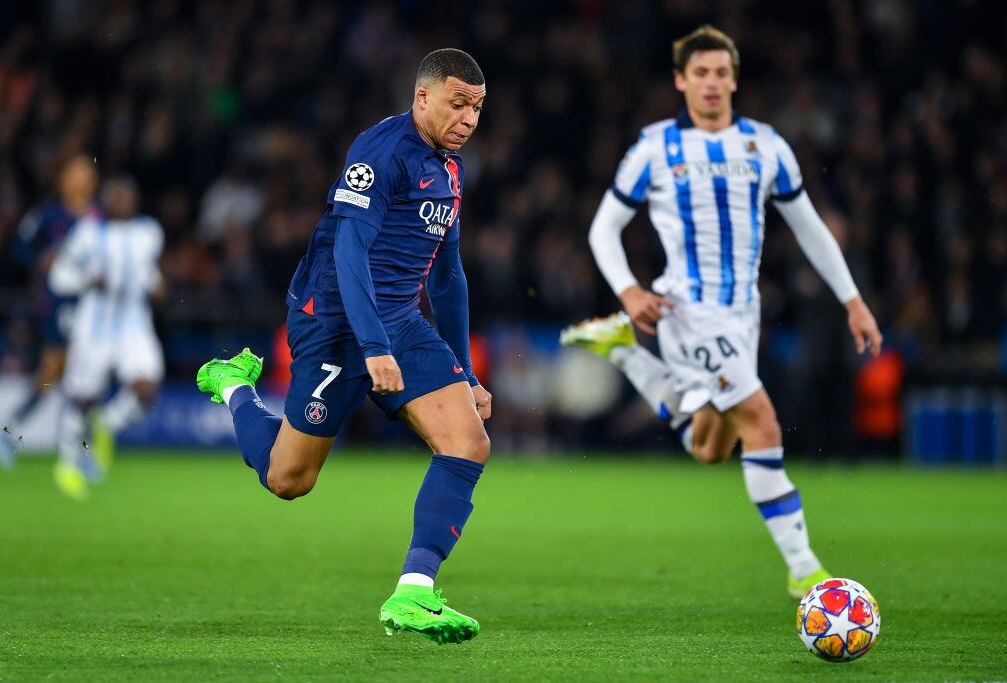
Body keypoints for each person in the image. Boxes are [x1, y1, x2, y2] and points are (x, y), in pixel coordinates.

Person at [560, 26, 883, 599]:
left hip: (743, 315)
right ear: (681, 81)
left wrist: (852, 300)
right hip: (688, 310)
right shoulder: (656, 148)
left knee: (712, 447)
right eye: (700, 74)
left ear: (734, 78)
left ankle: (625, 354)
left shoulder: (765, 146)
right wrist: (630, 291)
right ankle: (806, 569)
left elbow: (810, 228)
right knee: (759, 420)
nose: (711, 84)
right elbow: (603, 227)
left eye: (720, 73)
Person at [195, 48, 491, 645]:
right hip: (333, 321)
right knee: (288, 479)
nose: (468, 119)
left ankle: (414, 592)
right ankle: (233, 386)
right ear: (423, 97)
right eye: (458, 104)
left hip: (400, 323)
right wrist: (372, 345)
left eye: (478, 108)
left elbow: (447, 275)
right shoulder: (380, 153)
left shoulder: (450, 169)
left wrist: (463, 370)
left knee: (468, 441)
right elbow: (348, 252)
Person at [48, 175, 165, 500]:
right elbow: (59, 277)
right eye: (116, 195)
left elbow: (145, 271)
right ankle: (68, 465)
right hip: (93, 328)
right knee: (82, 398)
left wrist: (156, 283)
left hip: (133, 326)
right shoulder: (88, 233)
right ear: (106, 199)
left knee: (146, 388)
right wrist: (87, 280)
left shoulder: (149, 233)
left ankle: (106, 424)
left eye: (127, 195)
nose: (122, 201)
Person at [0, 155, 98, 467]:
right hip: (58, 304)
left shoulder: (98, 216)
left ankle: (13, 428)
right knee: (62, 369)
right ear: (64, 180)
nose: (81, 180)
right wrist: (42, 261)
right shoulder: (49, 215)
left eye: (86, 174)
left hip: (92, 306)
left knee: (73, 372)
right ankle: (77, 449)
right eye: (76, 174)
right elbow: (20, 247)